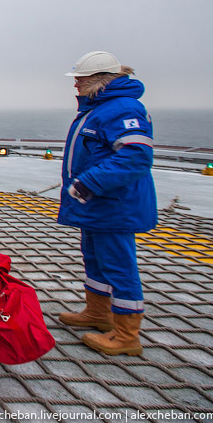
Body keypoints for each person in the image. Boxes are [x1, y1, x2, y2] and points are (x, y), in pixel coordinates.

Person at [58, 51, 156, 357]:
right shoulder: (101, 107)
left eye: (80, 78)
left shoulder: (123, 108)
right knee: (95, 259)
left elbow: (136, 156)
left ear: (99, 79)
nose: (75, 83)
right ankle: (98, 313)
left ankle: (127, 334)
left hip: (114, 205)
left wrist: (89, 183)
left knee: (119, 265)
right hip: (97, 205)